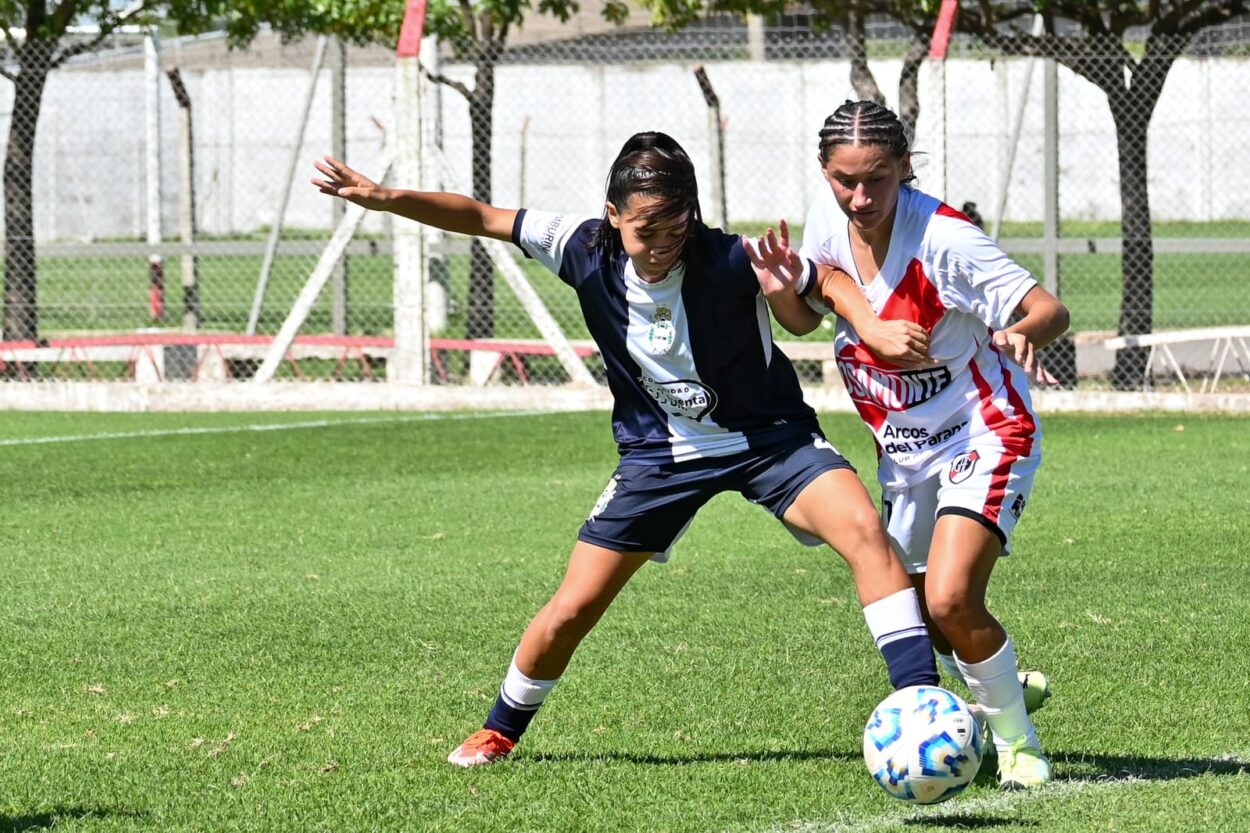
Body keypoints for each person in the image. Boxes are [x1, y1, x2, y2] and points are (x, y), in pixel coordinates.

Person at [312, 131, 942, 768]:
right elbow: (481, 216)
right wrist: (388, 198)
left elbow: (826, 279)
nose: (664, 242)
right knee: (574, 605)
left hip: (768, 440)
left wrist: (872, 326)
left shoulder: (729, 256)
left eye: (677, 225)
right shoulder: (582, 245)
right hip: (658, 455)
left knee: (865, 530)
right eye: (647, 227)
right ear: (613, 216)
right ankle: (499, 728)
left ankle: (921, 705)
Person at [766, 101, 1070, 790]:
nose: (861, 196)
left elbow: (1049, 308)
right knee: (920, 608)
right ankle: (1002, 690)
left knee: (952, 598)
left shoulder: (944, 239)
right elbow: (806, 318)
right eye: (845, 180)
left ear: (905, 166)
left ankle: (1018, 746)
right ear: (826, 173)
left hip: (984, 429)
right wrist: (784, 288)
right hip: (903, 451)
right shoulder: (827, 221)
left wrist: (1024, 330)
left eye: (878, 178)